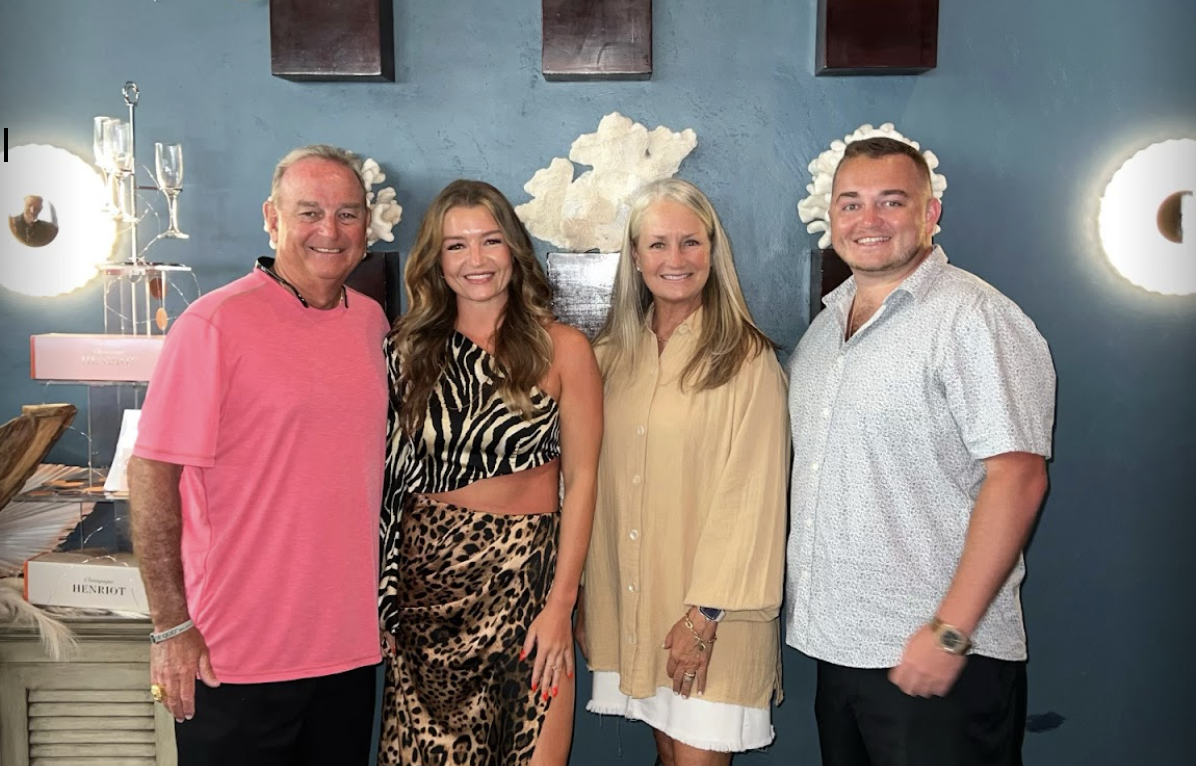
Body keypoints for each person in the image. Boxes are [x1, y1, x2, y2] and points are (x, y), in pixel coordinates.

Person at [785, 137, 1056, 766]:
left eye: (891, 201)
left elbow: (1018, 479)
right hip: (844, 651)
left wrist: (950, 631)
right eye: (850, 203)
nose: (868, 220)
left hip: (941, 658)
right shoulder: (826, 330)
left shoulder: (974, 318)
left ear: (930, 214)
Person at [129, 145, 389, 765]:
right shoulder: (213, 324)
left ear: (367, 225)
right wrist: (170, 625)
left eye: (348, 214)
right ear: (271, 219)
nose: (330, 231)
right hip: (234, 655)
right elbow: (152, 474)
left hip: (348, 648)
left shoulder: (373, 322)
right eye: (310, 212)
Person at [377, 179, 602, 766]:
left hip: (523, 583)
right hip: (428, 586)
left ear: (514, 251)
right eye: (456, 246)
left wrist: (560, 606)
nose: (475, 260)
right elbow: (388, 482)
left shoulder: (564, 348)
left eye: (490, 241)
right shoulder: (405, 349)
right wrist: (384, 596)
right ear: (436, 260)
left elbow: (581, 483)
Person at [577, 178, 790, 766]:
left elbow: (754, 498)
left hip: (711, 620)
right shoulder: (610, 358)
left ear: (713, 251)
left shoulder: (747, 360)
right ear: (636, 256)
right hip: (635, 609)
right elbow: (593, 488)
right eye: (658, 244)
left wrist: (704, 617)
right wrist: (588, 598)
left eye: (691, 243)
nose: (675, 259)